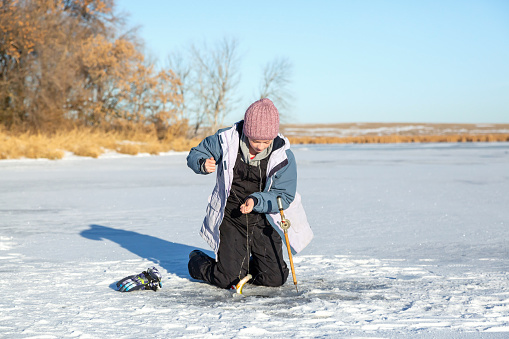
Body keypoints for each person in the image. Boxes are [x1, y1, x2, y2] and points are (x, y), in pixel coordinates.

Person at [186, 98, 313, 290]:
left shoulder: (283, 156)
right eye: (256, 141)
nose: (261, 146)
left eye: (266, 141)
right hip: (232, 216)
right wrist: (202, 163)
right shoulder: (225, 141)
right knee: (228, 279)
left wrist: (256, 200)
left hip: (265, 219)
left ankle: (243, 264)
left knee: (274, 279)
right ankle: (197, 261)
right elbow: (195, 153)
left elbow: (284, 196)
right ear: (247, 132)